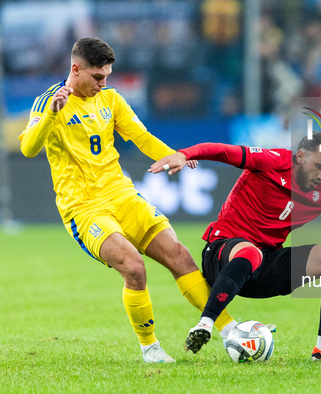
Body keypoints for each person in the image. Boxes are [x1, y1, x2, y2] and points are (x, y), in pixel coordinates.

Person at [18, 37, 240, 363]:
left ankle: (230, 330)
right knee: (134, 267)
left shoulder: (111, 99)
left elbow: (141, 137)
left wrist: (175, 155)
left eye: (107, 76)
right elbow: (28, 148)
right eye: (97, 77)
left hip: (122, 195)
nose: (103, 83)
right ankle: (150, 348)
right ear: (76, 68)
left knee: (179, 255)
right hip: (84, 209)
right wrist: (52, 114)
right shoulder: (49, 102)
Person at [149, 132, 321, 361]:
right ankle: (205, 323)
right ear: (300, 157)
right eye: (318, 166)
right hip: (222, 255)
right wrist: (184, 154)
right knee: (250, 251)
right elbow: (223, 151)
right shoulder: (271, 161)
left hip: (264, 266)